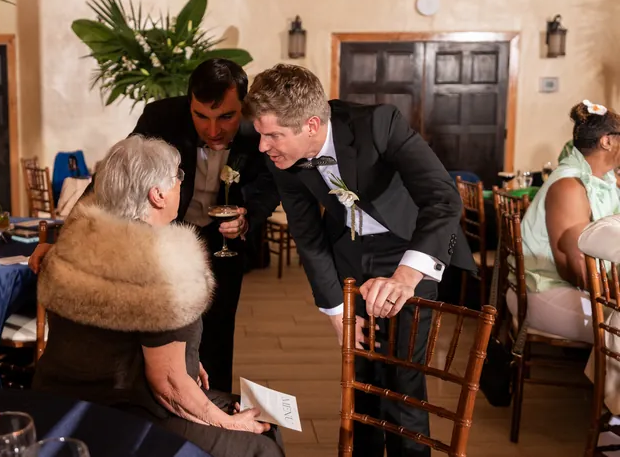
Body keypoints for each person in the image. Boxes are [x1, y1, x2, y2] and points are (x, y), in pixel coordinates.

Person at [242, 64, 474, 457]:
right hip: (349, 255)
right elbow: (307, 234)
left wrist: (404, 276)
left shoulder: (379, 124)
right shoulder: (280, 155)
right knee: (360, 379)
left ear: (311, 125)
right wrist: (336, 313)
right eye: (261, 134)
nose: (263, 146)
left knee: (403, 383)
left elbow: (443, 198)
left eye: (274, 135)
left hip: (409, 252)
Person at [30, 58, 280, 393]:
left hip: (223, 245)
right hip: (164, 239)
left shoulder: (257, 131)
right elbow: (110, 179)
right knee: (164, 331)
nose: (213, 130)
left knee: (219, 335)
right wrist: (66, 242)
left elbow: (270, 183)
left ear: (243, 108)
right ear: (189, 102)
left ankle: (213, 409)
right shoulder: (161, 117)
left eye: (226, 117)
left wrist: (249, 216)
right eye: (201, 116)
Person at [33, 136, 283, 457]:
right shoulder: (161, 264)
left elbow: (114, 338)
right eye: (178, 176)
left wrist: (185, 352)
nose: (182, 181)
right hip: (118, 412)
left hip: (58, 394)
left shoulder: (76, 244)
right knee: (260, 445)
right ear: (158, 195)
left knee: (257, 419)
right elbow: (169, 386)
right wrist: (230, 424)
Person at [509, 100, 620, 343]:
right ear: (607, 141)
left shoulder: (605, 179)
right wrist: (615, 295)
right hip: (545, 290)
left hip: (578, 287)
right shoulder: (569, 186)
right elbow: (573, 269)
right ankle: (603, 381)